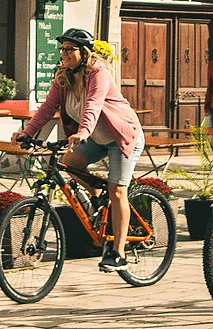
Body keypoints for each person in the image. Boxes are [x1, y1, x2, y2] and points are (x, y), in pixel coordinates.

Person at [18, 28, 145, 271]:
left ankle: (118, 253)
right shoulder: (63, 77)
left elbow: (93, 105)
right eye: (62, 49)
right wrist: (28, 132)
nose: (64, 53)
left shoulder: (98, 73)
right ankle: (97, 196)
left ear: (84, 52)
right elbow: (47, 108)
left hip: (122, 136)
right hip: (96, 138)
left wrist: (83, 132)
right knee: (69, 163)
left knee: (118, 190)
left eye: (70, 49)